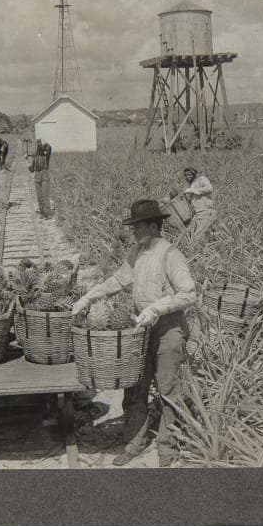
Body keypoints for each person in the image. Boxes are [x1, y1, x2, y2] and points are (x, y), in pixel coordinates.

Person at [71, 199, 197, 468]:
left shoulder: (170, 254)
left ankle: (167, 446)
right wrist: (89, 298)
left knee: (168, 388)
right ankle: (134, 442)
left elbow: (189, 292)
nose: (134, 231)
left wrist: (157, 308)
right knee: (136, 386)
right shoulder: (138, 252)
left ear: (154, 225)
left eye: (138, 226)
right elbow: (118, 280)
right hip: (141, 328)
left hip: (169, 329)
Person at [181, 167, 217, 246]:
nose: (188, 177)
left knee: (197, 238)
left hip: (206, 212)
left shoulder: (202, 179)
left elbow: (210, 188)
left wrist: (194, 190)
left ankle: (199, 253)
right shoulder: (189, 185)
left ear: (194, 174)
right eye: (186, 175)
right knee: (187, 234)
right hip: (197, 214)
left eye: (190, 174)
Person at [26, 138, 53, 218]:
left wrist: (41, 142)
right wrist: (26, 161)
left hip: (44, 176)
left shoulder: (46, 156)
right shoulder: (35, 158)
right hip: (37, 176)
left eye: (42, 147)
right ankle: (42, 213)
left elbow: (49, 147)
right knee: (40, 196)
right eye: (39, 147)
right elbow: (31, 170)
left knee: (45, 196)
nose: (41, 149)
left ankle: (47, 214)